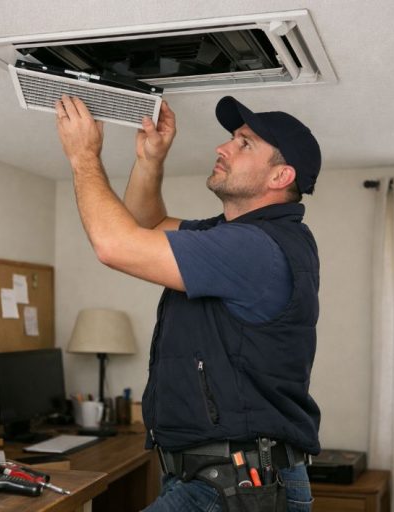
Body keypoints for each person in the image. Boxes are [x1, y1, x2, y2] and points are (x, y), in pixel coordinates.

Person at [55, 94, 322, 512]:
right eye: (232, 138)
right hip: (215, 480)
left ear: (280, 176)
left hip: (238, 486)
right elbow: (147, 225)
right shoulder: (234, 236)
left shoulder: (255, 249)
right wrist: (150, 160)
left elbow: (114, 245)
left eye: (245, 143)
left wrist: (83, 156)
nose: (223, 147)